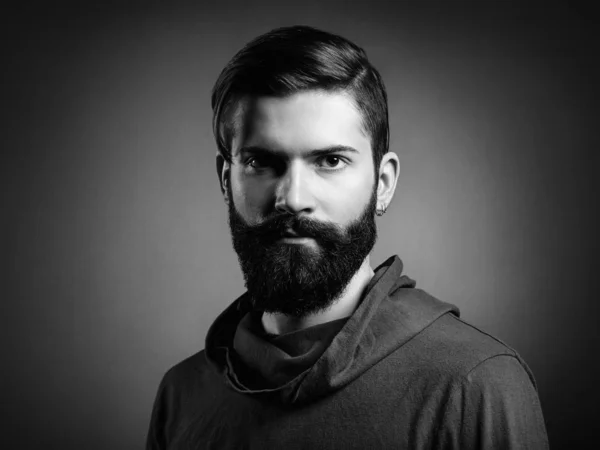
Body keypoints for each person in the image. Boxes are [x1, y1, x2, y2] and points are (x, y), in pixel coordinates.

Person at [146, 25, 549, 449]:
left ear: (384, 183)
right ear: (226, 181)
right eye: (261, 162)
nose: (293, 198)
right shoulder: (182, 396)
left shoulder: (475, 384)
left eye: (331, 160)